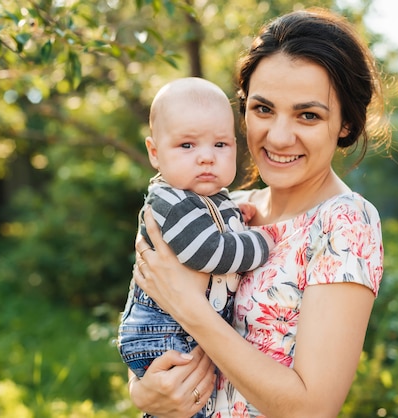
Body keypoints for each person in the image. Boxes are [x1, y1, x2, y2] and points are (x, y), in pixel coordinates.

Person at [129, 7, 391, 417]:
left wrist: (193, 311)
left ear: (344, 124)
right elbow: (146, 312)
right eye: (263, 109)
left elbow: (312, 409)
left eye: (308, 115)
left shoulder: (343, 224)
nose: (279, 136)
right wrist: (142, 391)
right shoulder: (228, 210)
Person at [117, 77, 275, 418]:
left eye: (220, 145)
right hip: (165, 335)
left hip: (180, 332)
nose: (206, 157)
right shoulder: (170, 201)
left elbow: (215, 222)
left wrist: (236, 215)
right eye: (187, 146)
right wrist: (260, 240)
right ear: (155, 153)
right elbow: (211, 253)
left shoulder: (208, 197)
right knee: (188, 403)